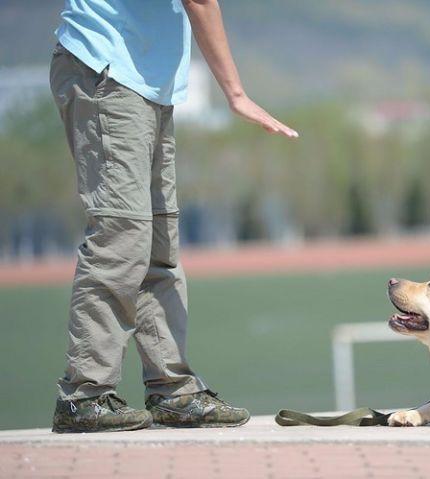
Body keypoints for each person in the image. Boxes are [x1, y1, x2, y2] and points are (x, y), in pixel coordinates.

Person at [49, 0, 297, 433]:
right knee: (120, 235)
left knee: (159, 242)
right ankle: (83, 395)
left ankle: (172, 390)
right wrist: (236, 94)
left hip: (145, 83)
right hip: (105, 68)